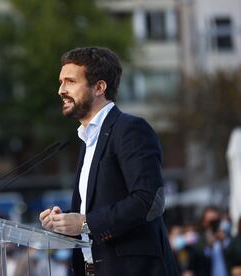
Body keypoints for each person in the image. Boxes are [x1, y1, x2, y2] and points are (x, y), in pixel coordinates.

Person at [39, 47, 178, 276]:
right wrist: (63, 220)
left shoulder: (129, 129)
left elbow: (149, 201)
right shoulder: (88, 139)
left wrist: (84, 223)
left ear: (99, 87)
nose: (60, 90)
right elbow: (100, 207)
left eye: (70, 82)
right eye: (61, 82)